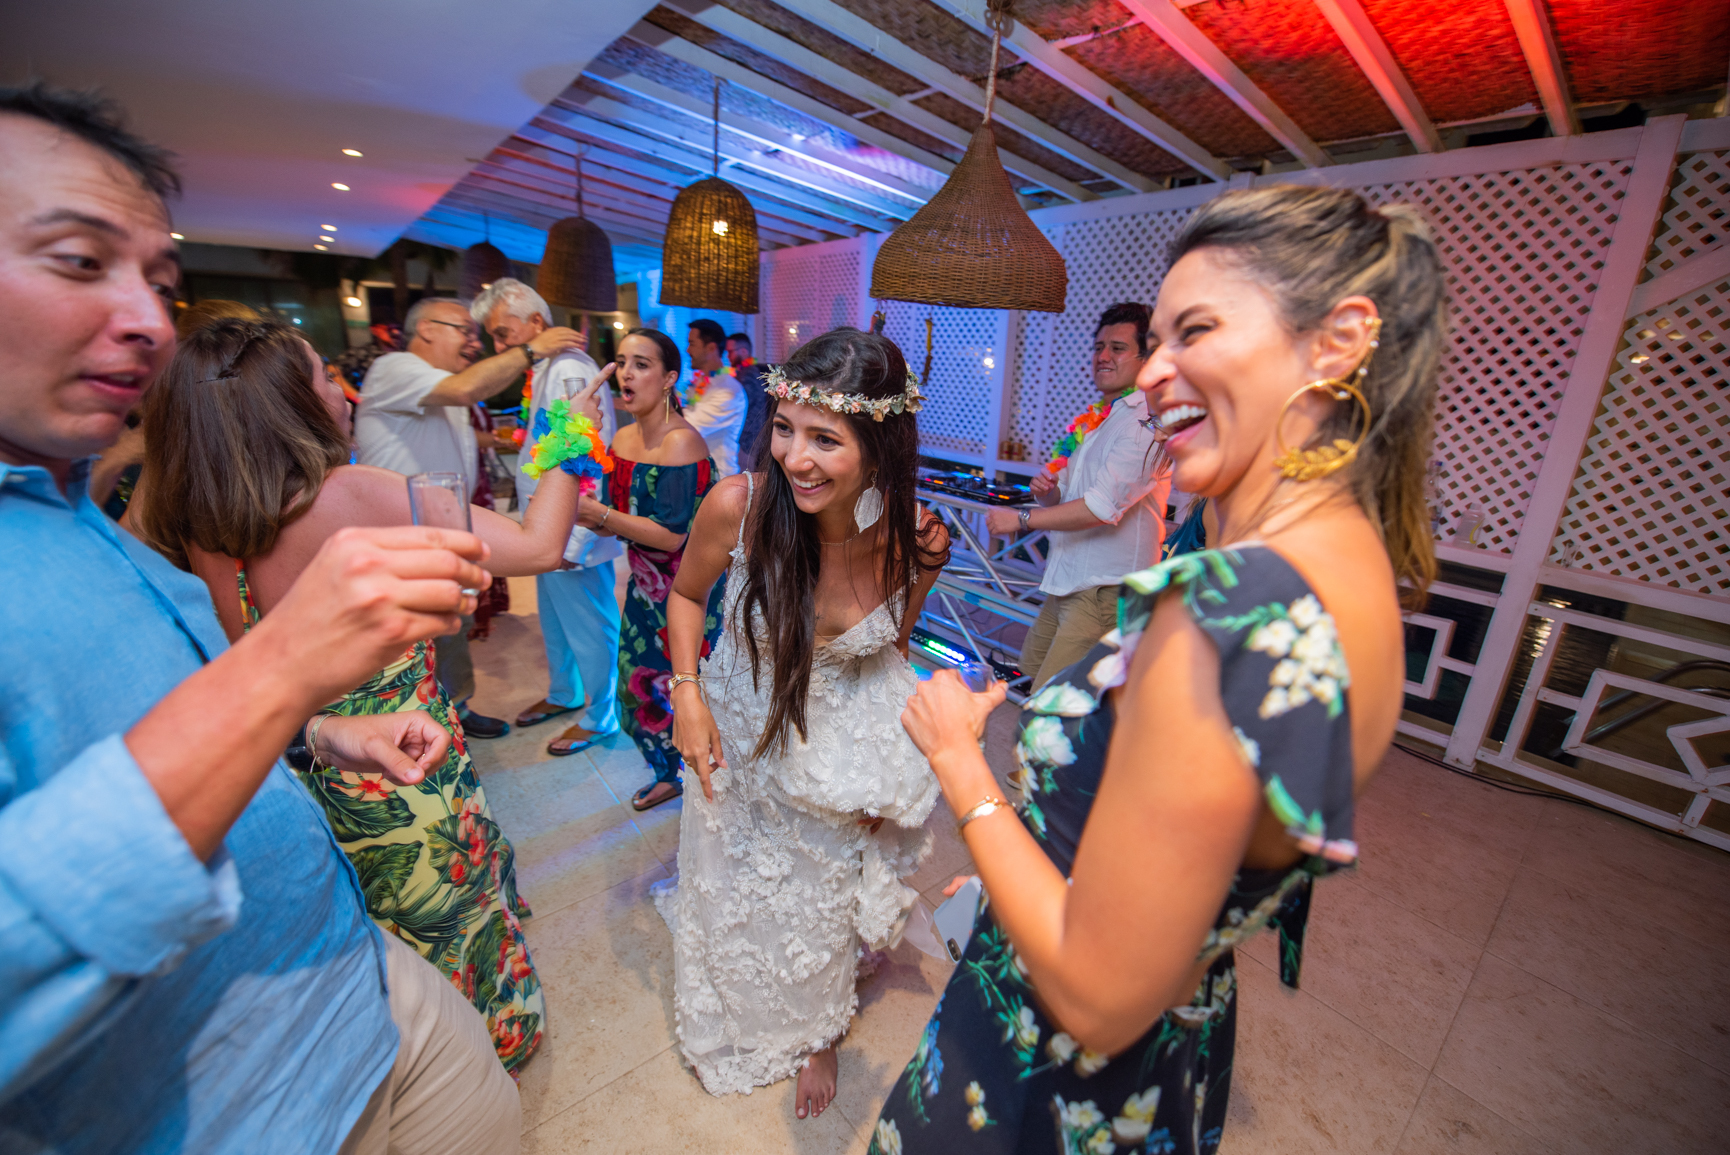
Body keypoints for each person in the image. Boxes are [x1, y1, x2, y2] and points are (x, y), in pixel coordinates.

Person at [868, 185, 1445, 1155]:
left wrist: (962, 765)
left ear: (1337, 341)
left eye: (1196, 330)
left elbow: (1094, 994)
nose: (1153, 372)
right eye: (1156, 340)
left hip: (1041, 1082)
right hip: (1166, 1056)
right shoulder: (1356, 579)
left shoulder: (1225, 612)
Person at [0, 83, 520, 1152]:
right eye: (79, 260)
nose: (150, 321)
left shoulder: (95, 514)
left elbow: (164, 724)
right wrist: (281, 667)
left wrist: (319, 731)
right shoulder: (337, 489)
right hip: (226, 1112)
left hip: (364, 981)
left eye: (160, 280)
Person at [134, 316, 608, 1075]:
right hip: (411, 778)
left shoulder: (208, 530)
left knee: (384, 951)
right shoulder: (352, 492)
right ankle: (479, 1072)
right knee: (453, 938)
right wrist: (570, 431)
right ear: (286, 402)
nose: (342, 390)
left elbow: (244, 661)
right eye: (324, 375)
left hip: (311, 780)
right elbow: (539, 544)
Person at [661, 328, 950, 1119]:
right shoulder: (740, 506)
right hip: (738, 729)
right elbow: (685, 596)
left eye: (825, 439)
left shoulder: (912, 534)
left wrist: (884, 770)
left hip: (833, 746)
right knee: (736, 878)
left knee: (820, 893)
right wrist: (687, 694)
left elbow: (889, 648)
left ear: (879, 447)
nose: (795, 457)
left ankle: (820, 1029)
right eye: (785, 428)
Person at [354, 294, 587, 738]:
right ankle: (407, 727)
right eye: (465, 331)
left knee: (449, 627)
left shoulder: (438, 386)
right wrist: (532, 349)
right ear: (426, 329)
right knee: (409, 639)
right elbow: (466, 389)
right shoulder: (395, 368)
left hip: (440, 533)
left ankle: (455, 710)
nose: (475, 343)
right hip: (398, 536)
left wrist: (501, 440)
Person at [572, 328, 724, 811]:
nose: (627, 374)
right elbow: (614, 517)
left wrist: (599, 515)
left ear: (669, 378)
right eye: (621, 362)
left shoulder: (682, 443)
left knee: (694, 690)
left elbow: (672, 535)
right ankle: (669, 774)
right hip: (644, 588)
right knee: (635, 688)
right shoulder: (621, 437)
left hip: (692, 592)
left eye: (642, 364)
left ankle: (709, 781)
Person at [473, 279, 625, 757]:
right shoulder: (544, 369)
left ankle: (603, 715)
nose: (498, 345)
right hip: (545, 528)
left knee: (590, 626)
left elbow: (587, 453)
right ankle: (565, 693)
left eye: (503, 333)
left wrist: (571, 541)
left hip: (568, 531)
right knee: (557, 621)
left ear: (536, 322)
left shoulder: (568, 370)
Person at [986, 303, 1171, 690]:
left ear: (1147, 357)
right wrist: (1049, 493)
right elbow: (1067, 497)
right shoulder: (1105, 415)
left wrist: (1021, 519)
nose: (1102, 356)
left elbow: (1100, 508)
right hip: (1069, 579)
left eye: (1117, 348)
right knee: (1034, 672)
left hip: (1104, 589)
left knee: (1055, 702)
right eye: (1099, 347)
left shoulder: (1146, 422)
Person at [680, 317, 746, 478]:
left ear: (711, 348)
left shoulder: (729, 391)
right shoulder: (701, 381)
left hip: (718, 480)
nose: (687, 350)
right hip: (697, 475)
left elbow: (689, 428)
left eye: (692, 344)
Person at [727, 329, 767, 469]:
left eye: (731, 352)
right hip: (746, 440)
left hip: (746, 442)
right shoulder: (743, 373)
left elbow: (740, 408)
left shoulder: (748, 375)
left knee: (744, 478)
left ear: (743, 351)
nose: (728, 356)